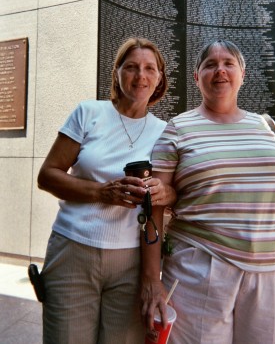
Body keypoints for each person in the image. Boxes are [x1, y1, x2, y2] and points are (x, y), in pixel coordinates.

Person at [141, 39, 275, 344]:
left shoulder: (268, 128)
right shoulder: (177, 129)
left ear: (242, 73)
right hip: (200, 272)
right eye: (210, 64)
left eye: (228, 63)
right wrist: (151, 279)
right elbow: (153, 208)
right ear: (197, 77)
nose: (220, 70)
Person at [37, 37, 176, 344]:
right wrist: (102, 192)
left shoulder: (166, 131)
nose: (140, 76)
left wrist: (168, 194)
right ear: (116, 73)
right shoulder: (89, 113)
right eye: (131, 67)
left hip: (131, 261)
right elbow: (47, 175)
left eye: (149, 69)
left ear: (159, 78)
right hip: (73, 250)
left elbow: (171, 191)